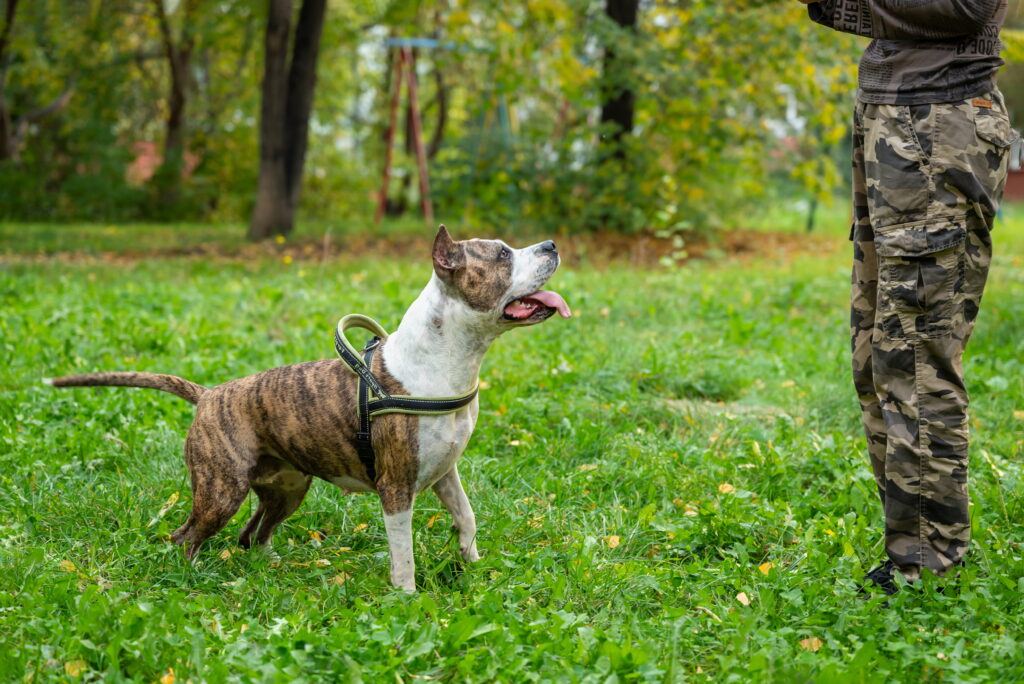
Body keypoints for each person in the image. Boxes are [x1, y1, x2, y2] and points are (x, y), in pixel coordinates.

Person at [800, 0, 1018, 594]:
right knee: (876, 352)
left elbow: (965, 10)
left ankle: (929, 559)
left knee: (916, 354)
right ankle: (914, 541)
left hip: (936, 124)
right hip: (892, 119)